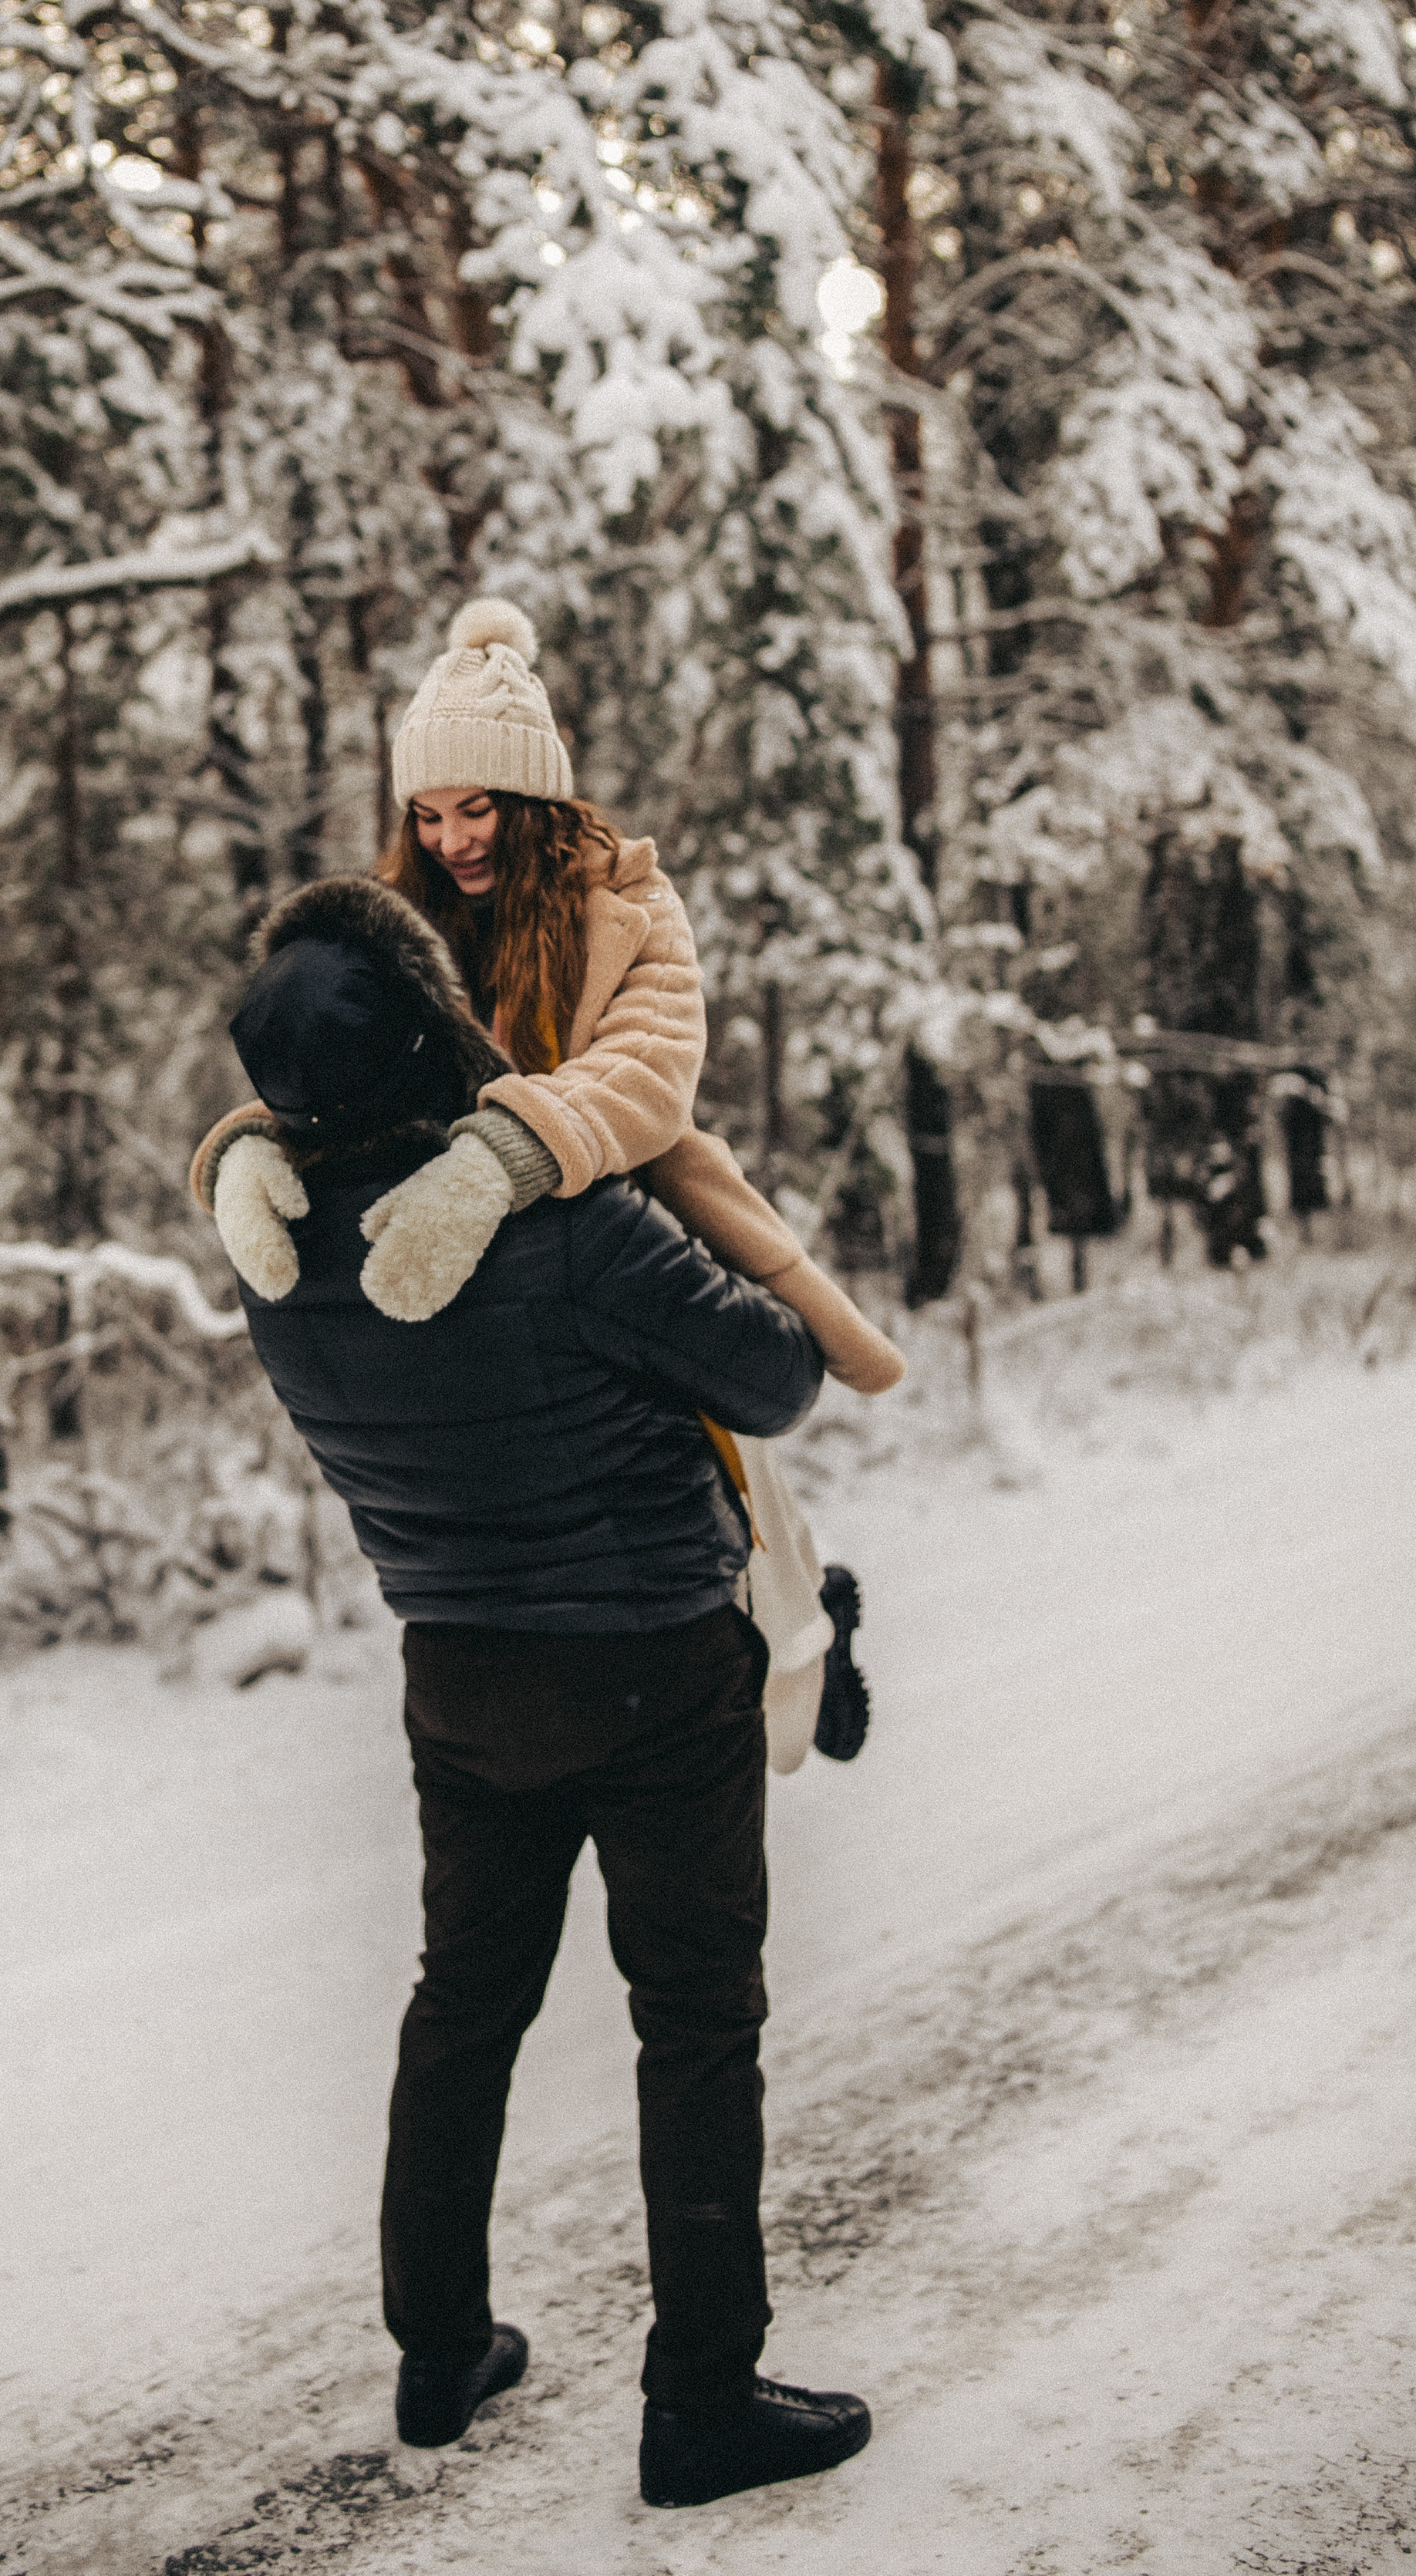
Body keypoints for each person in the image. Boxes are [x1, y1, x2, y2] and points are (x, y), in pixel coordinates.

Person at [218, 868, 874, 2511]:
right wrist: (691, 1214)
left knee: (462, 2010)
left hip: (458, 1677)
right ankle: (700, 2401)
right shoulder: (563, 1229)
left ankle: (439, 2352)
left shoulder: (274, 1259)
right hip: (651, 1667)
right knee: (695, 2021)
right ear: (433, 1034)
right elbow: (775, 1378)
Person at [190, 601, 908, 1398]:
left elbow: (650, 1069)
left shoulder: (629, 905)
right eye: (426, 816)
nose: (450, 840)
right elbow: (342, 1063)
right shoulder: (395, 920)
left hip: (629, 1241)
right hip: (453, 1274)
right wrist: (250, 1144)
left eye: (476, 809)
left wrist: (500, 1158)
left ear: (532, 800)